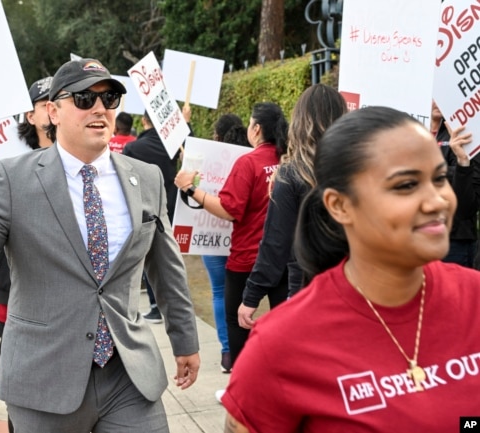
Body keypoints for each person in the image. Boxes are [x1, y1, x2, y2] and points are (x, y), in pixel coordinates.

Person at [0, 57, 200, 433]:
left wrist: (184, 338)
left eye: (109, 98)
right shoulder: (12, 179)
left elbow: (166, 267)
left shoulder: (146, 178)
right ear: (53, 111)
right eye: (83, 98)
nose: (99, 108)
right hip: (44, 379)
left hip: (128, 376)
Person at [221, 106, 480, 432]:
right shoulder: (279, 345)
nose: (438, 200)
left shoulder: (474, 298)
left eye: (440, 178)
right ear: (340, 205)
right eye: (405, 185)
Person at [174, 102, 287, 401]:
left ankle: (241, 389)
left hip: (246, 257)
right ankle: (282, 386)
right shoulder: (287, 159)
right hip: (282, 258)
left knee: (238, 323)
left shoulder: (248, 163)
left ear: (257, 129)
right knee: (285, 322)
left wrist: (191, 189)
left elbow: (228, 209)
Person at [239, 84, 348, 333]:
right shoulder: (358, 168)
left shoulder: (292, 173)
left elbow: (276, 241)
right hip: (356, 283)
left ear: (299, 122)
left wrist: (251, 295)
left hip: (306, 289)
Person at [200, 113, 249, 373]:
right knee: (245, 295)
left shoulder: (207, 156)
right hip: (244, 237)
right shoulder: (251, 157)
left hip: (211, 234)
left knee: (220, 293)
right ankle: (248, 349)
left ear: (217, 135)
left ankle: (228, 352)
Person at [122, 109, 182, 323]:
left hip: (143, 209)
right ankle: (171, 310)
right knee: (170, 259)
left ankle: (156, 306)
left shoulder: (133, 148)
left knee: (148, 258)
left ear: (144, 120)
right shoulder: (173, 146)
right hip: (171, 205)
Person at [430, 101, 479, 268]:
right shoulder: (411, 133)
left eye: (439, 97)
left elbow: (467, 204)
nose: (436, 102)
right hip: (416, 235)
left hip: (455, 240)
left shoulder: (460, 134)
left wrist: (460, 164)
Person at [17, 76, 55, 149]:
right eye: (46, 105)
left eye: (58, 102)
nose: (54, 109)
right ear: (30, 117)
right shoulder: (24, 157)